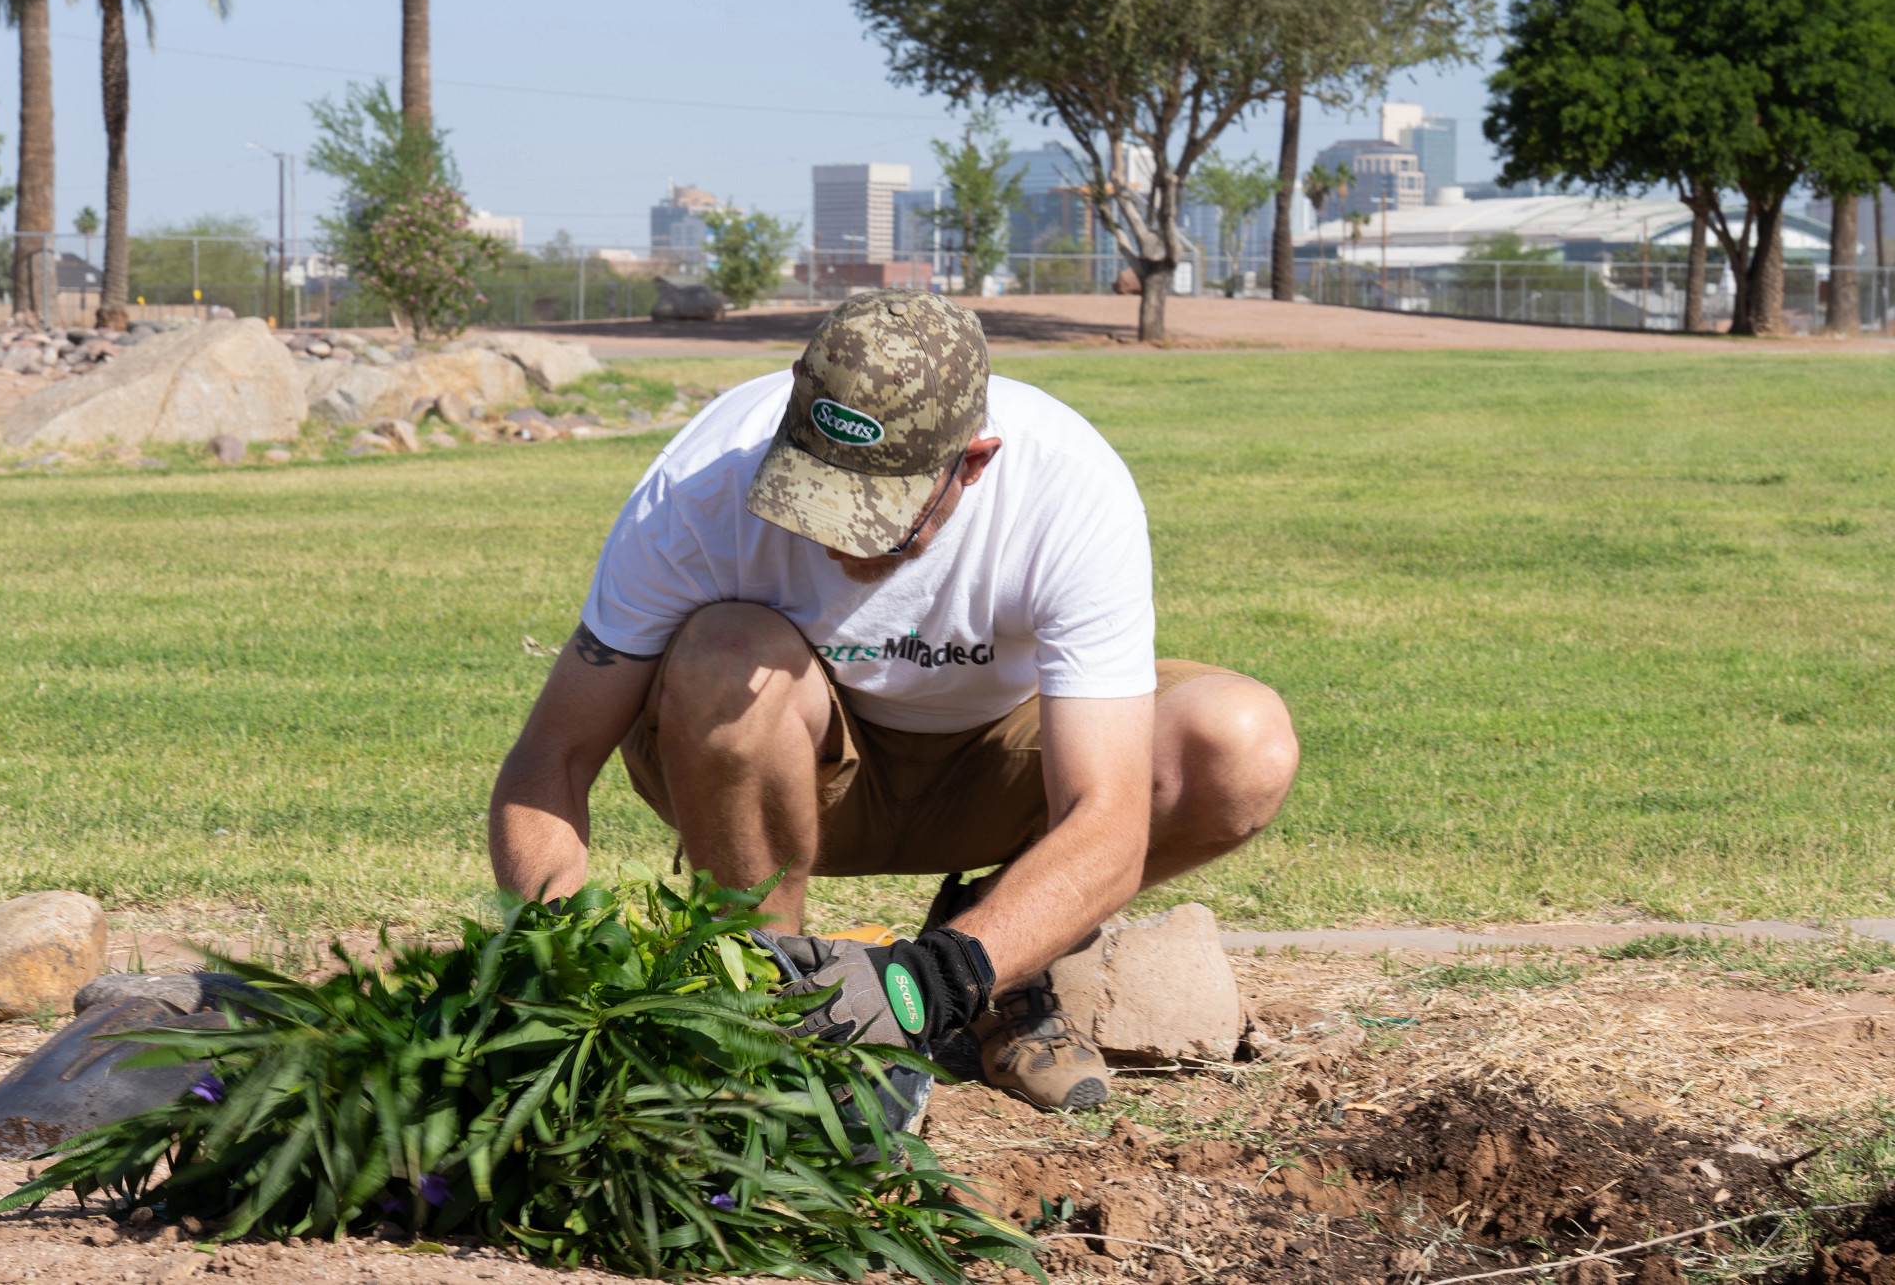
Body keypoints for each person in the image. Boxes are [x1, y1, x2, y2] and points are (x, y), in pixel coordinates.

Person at [489, 290, 1298, 1111]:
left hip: (997, 774)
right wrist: (560, 968)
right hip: (792, 771)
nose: (838, 539)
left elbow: (1109, 823)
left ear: (973, 463)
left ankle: (995, 955)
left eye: (877, 516)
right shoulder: (699, 484)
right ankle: (765, 999)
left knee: (1242, 744)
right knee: (724, 656)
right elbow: (551, 757)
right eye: (810, 497)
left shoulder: (1070, 489)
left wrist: (933, 979)